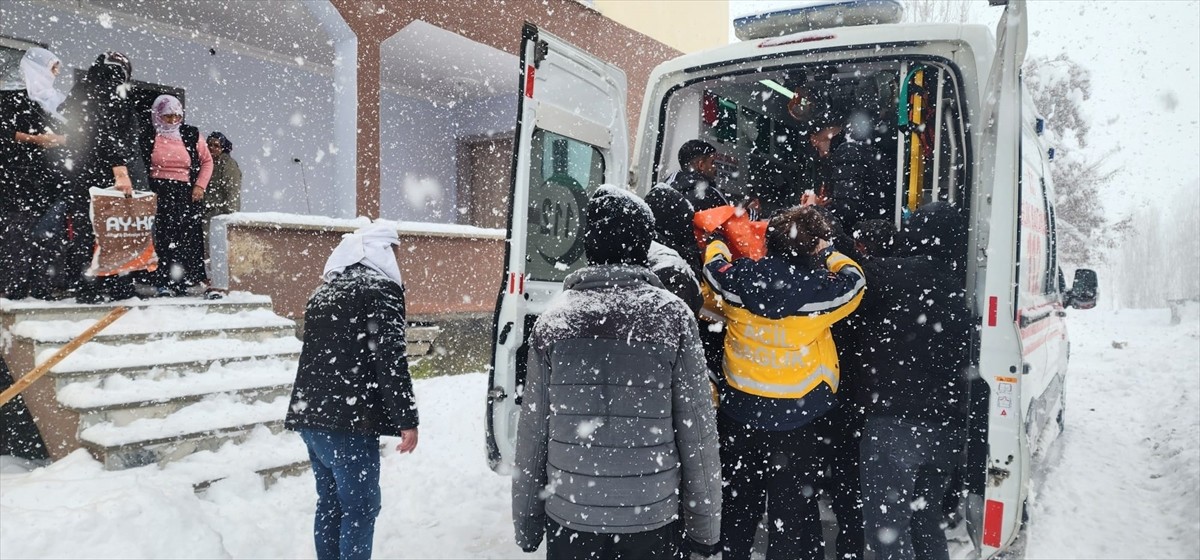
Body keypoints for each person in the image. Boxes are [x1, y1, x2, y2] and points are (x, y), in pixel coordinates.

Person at [512, 185, 722, 560]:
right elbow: (697, 429)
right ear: (645, 247)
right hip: (653, 517)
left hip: (571, 517)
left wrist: (527, 522)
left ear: (589, 245)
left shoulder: (553, 321)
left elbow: (533, 433)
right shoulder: (673, 317)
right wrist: (704, 527)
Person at [702, 205, 866, 560]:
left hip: (740, 412)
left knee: (739, 507)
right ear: (812, 249)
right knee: (790, 515)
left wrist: (718, 242)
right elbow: (856, 282)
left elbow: (713, 268)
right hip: (798, 418)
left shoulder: (736, 284)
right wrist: (830, 254)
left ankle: (733, 553)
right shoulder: (823, 294)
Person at [284, 222, 419, 560]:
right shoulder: (380, 290)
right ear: (381, 253)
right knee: (360, 508)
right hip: (348, 422)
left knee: (330, 504)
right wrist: (407, 418)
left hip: (312, 416)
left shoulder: (323, 292)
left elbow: (318, 357)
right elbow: (390, 359)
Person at [849, 203, 972, 560]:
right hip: (945, 426)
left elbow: (843, 280)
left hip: (894, 425)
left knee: (888, 530)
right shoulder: (957, 286)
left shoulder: (886, 275)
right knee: (925, 519)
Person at [59, 51, 138, 304]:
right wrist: (119, 166)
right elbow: (106, 127)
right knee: (113, 227)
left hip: (80, 170)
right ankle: (116, 285)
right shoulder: (108, 87)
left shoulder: (82, 88)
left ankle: (88, 285)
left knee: (86, 228)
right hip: (101, 170)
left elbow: (74, 126)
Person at [0, 47, 69, 300]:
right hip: (19, 175)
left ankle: (43, 284)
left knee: (48, 233)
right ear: (37, 67)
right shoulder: (12, 97)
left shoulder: (58, 100)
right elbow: (5, 133)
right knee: (17, 232)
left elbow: (74, 134)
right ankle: (15, 286)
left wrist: (61, 140)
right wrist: (37, 139)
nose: (57, 73)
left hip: (51, 177)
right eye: (53, 67)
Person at [140, 94, 213, 297]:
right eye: (167, 116)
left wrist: (200, 186)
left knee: (185, 236)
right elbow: (139, 162)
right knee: (161, 236)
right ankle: (162, 280)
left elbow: (207, 161)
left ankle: (184, 280)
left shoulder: (190, 134)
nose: (173, 120)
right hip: (157, 191)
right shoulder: (148, 134)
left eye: (176, 116)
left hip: (185, 192)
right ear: (157, 115)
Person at [670, 139, 730, 211]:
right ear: (701, 165)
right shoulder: (711, 195)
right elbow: (729, 220)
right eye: (712, 162)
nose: (715, 167)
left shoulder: (665, 189)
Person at [202, 131, 241, 232]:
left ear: (222, 148)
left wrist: (231, 217)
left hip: (218, 214)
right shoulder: (204, 163)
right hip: (204, 213)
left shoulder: (228, 165)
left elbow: (233, 191)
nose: (212, 148)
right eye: (209, 145)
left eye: (216, 146)